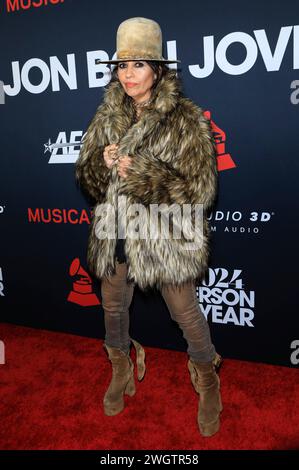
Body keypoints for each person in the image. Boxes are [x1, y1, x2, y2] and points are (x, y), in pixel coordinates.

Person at [75, 17, 222, 437]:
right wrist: (98, 167)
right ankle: (121, 367)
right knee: (113, 308)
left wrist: (141, 171)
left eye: (138, 65)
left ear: (158, 70)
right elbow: (86, 179)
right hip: (114, 232)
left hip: (166, 236)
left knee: (185, 314)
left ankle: (208, 378)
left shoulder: (185, 119)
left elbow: (199, 191)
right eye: (122, 66)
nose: (128, 75)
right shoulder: (107, 115)